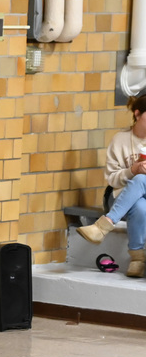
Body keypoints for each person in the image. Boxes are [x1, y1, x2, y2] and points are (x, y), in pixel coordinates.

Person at [77, 94, 146, 278]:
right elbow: (112, 180)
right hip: (119, 197)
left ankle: (103, 226)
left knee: (141, 186)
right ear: (138, 114)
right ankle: (137, 259)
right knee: (139, 205)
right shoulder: (120, 140)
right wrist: (132, 169)